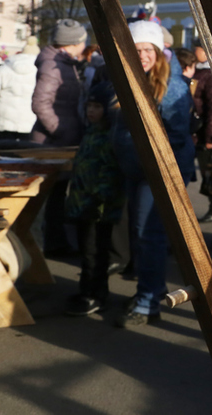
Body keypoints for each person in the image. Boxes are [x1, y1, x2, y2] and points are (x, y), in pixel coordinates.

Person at [113, 20, 195, 328]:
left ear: (158, 52)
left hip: (159, 172)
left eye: (148, 49)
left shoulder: (171, 86)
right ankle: (150, 289)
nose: (143, 55)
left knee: (150, 235)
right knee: (139, 233)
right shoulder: (131, 78)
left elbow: (174, 138)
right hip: (135, 168)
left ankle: (148, 303)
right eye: (136, 50)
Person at [64, 81, 125, 316]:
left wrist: (99, 200)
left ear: (108, 110)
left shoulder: (108, 137)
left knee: (95, 252)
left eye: (97, 106)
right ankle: (86, 290)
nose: (91, 111)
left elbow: (109, 175)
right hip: (83, 203)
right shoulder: (90, 133)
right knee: (86, 250)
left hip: (98, 207)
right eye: (89, 105)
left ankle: (95, 295)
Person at [33, 19, 88, 256]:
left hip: (61, 140)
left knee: (56, 195)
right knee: (51, 196)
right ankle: (50, 244)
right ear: (74, 43)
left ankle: (55, 241)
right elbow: (40, 103)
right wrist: (59, 130)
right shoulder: (53, 65)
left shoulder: (64, 63)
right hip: (53, 142)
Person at [191, 40, 212, 224]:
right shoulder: (200, 72)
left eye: (197, 47)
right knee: (206, 172)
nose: (194, 50)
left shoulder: (210, 75)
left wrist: (211, 136)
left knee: (210, 172)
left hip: (205, 132)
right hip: (199, 131)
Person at [0, 38, 40, 142]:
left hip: (5, 118)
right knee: (26, 154)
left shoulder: (5, 68)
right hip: (30, 119)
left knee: (3, 152)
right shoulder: (40, 69)